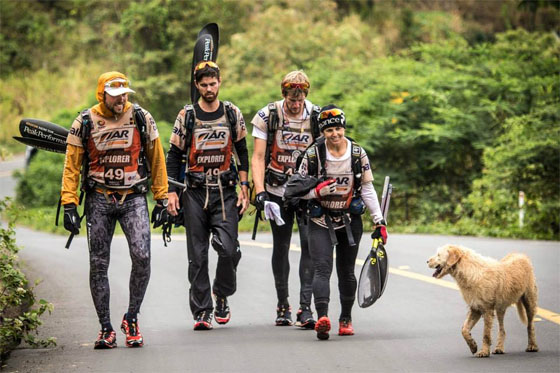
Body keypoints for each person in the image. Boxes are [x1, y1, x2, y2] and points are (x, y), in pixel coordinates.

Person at [61, 71, 168, 349]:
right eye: (116, 95)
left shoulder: (141, 118)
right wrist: (69, 203)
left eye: (125, 95)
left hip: (133, 198)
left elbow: (157, 159)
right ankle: (106, 328)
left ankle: (131, 318)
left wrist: (163, 199)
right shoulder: (84, 122)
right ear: (102, 94)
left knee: (142, 257)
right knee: (98, 264)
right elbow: (71, 166)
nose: (121, 100)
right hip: (98, 199)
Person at [291, 104, 388, 340]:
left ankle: (346, 318)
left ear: (343, 127)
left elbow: (366, 188)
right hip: (320, 220)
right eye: (329, 130)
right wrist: (317, 192)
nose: (334, 134)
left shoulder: (357, 154)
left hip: (349, 221)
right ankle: (323, 318)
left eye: (338, 128)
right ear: (322, 133)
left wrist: (379, 220)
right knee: (322, 268)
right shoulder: (313, 155)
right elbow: (294, 189)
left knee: (346, 271)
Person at [166, 61, 249, 331]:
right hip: (194, 191)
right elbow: (174, 155)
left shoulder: (232, 113)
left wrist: (245, 188)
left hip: (225, 191)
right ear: (197, 85)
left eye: (213, 83)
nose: (209, 89)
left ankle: (221, 292)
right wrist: (172, 192)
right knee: (197, 256)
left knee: (227, 249)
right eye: (204, 85)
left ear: (220, 82)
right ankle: (202, 311)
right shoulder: (187, 115)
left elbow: (242, 151)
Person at [251, 70, 320, 328]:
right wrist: (259, 192)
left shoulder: (315, 115)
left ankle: (305, 307)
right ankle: (283, 304)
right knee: (281, 246)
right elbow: (258, 157)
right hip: (277, 190)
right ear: (284, 95)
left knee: (309, 246)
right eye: (291, 100)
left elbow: (322, 156)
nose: (295, 104)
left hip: (305, 193)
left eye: (300, 99)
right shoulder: (268, 115)